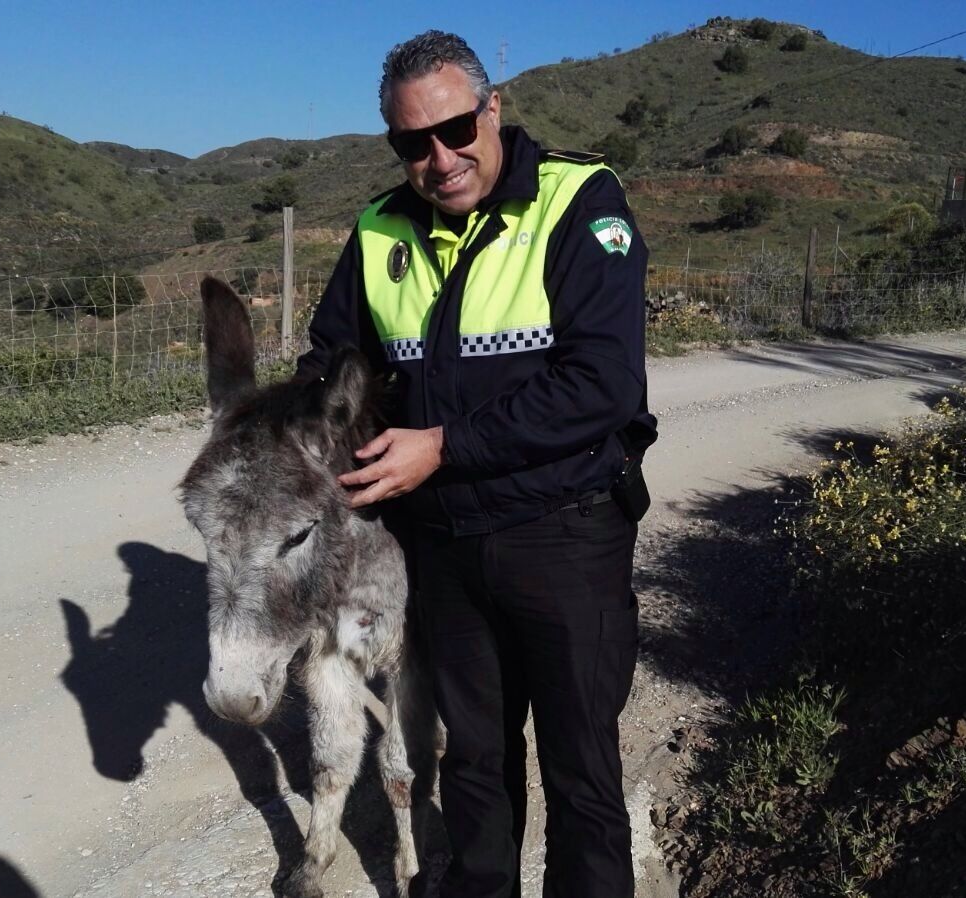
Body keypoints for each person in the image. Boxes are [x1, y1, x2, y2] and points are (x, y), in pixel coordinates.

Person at [294, 29, 655, 898]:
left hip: (564, 536)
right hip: (445, 545)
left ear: (494, 109)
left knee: (581, 769)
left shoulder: (579, 201)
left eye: (456, 130)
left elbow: (602, 385)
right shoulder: (380, 227)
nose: (440, 159)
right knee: (475, 766)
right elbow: (334, 358)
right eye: (412, 143)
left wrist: (443, 445)